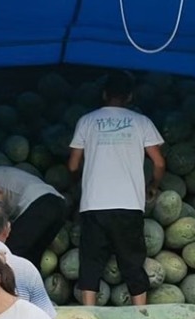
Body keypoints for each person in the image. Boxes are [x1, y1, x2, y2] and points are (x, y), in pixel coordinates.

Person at [67, 70, 166, 306]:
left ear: (104, 94)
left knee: (90, 261)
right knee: (132, 261)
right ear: (130, 97)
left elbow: (72, 165)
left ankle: (88, 316)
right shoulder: (142, 123)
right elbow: (159, 162)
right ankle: (140, 316)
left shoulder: (87, 121)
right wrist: (153, 185)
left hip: (94, 204)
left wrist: (81, 183)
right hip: (129, 203)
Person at [0, 166, 66, 265]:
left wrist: (0, 228)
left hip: (39, 203)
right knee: (32, 257)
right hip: (60, 205)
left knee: (9, 254)